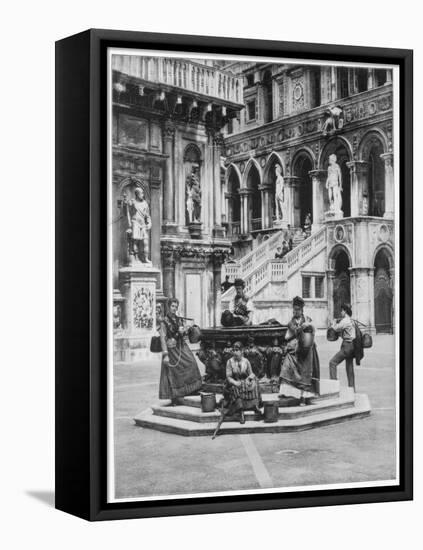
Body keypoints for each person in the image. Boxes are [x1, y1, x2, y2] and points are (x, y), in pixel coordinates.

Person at [159, 298, 203, 404]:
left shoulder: (179, 320)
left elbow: (183, 334)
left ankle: (191, 389)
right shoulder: (164, 321)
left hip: (181, 346)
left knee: (191, 362)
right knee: (174, 372)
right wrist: (165, 354)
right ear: (168, 307)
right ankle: (176, 395)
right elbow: (162, 337)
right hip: (172, 350)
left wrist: (185, 331)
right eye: (172, 306)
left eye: (176, 306)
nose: (174, 308)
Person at [279, 296, 320, 405]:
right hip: (295, 348)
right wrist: (302, 327)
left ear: (302, 310)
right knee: (287, 363)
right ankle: (286, 392)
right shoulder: (291, 322)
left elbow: (314, 329)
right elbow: (294, 332)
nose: (295, 311)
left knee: (306, 371)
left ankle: (304, 397)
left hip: (307, 348)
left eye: (297, 309)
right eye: (294, 309)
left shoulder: (307, 319)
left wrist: (309, 325)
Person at [221, 341, 261, 424]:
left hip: (244, 381)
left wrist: (249, 379)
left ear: (242, 351)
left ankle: (255, 405)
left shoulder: (246, 361)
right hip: (234, 381)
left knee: (255, 382)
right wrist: (235, 382)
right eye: (234, 350)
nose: (235, 352)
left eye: (237, 350)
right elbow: (228, 377)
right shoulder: (230, 362)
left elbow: (251, 373)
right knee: (235, 388)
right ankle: (240, 411)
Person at [329, 303, 357, 391]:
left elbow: (335, 329)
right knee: (349, 367)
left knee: (332, 363)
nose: (341, 312)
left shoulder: (345, 321)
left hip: (347, 346)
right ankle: (352, 389)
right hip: (352, 346)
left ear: (345, 311)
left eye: (341, 310)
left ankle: (334, 386)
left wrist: (333, 323)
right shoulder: (351, 320)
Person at [122, 187, 152, 263]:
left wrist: (149, 223)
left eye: (143, 193)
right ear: (137, 194)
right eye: (141, 193)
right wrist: (125, 202)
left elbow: (147, 216)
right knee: (135, 241)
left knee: (145, 241)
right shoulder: (133, 202)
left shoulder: (145, 203)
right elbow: (126, 211)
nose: (143, 194)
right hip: (135, 223)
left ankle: (145, 258)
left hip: (143, 224)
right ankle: (135, 258)